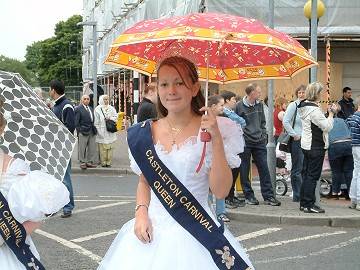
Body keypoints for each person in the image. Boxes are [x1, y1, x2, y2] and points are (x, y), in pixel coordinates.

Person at [97, 56, 254, 270]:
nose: (171, 90)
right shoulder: (144, 132)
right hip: (150, 231)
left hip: (199, 232)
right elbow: (145, 181)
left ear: (195, 87)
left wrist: (216, 138)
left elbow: (220, 191)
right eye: (164, 84)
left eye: (179, 82)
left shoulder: (217, 129)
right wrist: (141, 212)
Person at [0, 98, 70, 269]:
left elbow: (37, 216)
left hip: (8, 252)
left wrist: (8, 236)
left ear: (1, 129)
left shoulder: (15, 168)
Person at [235, 83, 281, 206]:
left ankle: (268, 196)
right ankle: (249, 196)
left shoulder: (259, 105)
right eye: (258, 92)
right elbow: (236, 123)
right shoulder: (239, 106)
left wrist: (262, 135)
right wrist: (242, 136)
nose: (260, 94)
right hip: (245, 142)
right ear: (251, 93)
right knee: (244, 169)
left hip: (259, 140)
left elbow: (262, 121)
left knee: (264, 168)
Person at [298, 82, 335, 214]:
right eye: (320, 92)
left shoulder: (304, 106)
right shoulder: (314, 111)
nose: (322, 94)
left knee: (307, 174)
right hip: (315, 146)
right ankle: (309, 204)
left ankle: (303, 203)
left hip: (307, 145)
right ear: (316, 94)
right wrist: (331, 114)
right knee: (312, 176)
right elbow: (327, 127)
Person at [208, 95, 244, 222]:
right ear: (213, 107)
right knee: (206, 185)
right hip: (207, 156)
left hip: (220, 155)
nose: (224, 108)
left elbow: (239, 124)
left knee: (219, 183)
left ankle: (220, 212)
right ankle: (208, 210)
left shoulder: (225, 119)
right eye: (221, 105)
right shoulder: (203, 119)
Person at [49, 79, 76, 218]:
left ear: (53, 90)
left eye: (50, 89)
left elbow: (70, 128)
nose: (49, 91)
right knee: (56, 178)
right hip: (56, 146)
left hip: (63, 147)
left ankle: (68, 207)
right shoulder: (57, 105)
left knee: (65, 178)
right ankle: (57, 206)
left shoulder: (66, 106)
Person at [220, 90, 246, 209]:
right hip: (228, 147)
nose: (235, 102)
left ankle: (230, 195)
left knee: (235, 171)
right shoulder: (225, 113)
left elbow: (242, 122)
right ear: (226, 101)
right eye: (233, 100)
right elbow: (241, 121)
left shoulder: (230, 112)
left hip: (235, 145)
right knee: (231, 172)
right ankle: (227, 197)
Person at [283, 85, 306, 202]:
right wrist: (294, 134)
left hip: (307, 140)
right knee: (297, 168)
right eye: (299, 93)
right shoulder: (294, 105)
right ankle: (297, 195)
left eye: (303, 92)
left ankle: (303, 193)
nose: (301, 95)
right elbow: (285, 121)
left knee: (305, 168)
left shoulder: (308, 106)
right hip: (297, 140)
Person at [328, 104, 353, 199]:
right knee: (349, 171)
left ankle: (335, 192)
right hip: (348, 144)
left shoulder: (327, 122)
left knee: (336, 171)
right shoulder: (343, 120)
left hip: (335, 146)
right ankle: (351, 193)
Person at [94, 95, 118, 167]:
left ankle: (109, 162)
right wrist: (99, 132)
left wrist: (110, 118)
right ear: (101, 100)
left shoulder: (112, 108)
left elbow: (116, 117)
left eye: (107, 99)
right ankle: (103, 162)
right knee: (103, 148)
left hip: (110, 130)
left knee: (110, 147)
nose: (106, 101)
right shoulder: (97, 109)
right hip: (102, 130)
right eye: (104, 99)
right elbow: (96, 122)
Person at [345, 95, 360, 211]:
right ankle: (359, 200)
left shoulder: (352, 117)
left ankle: (353, 199)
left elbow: (347, 122)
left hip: (354, 147)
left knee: (356, 173)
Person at [75, 95, 98, 169]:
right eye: (84, 99)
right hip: (83, 131)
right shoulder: (78, 109)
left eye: (88, 99)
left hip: (91, 130)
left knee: (91, 147)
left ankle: (89, 161)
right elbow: (76, 122)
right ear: (82, 100)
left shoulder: (91, 108)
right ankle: (82, 162)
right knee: (82, 147)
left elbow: (92, 119)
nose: (86, 100)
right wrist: (80, 131)